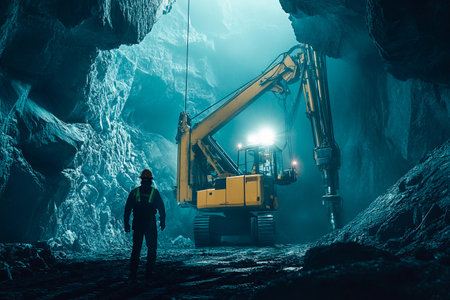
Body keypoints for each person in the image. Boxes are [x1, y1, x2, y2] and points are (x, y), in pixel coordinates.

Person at [124, 169, 166, 280]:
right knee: (152, 248)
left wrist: (126, 224)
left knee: (136, 249)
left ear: (141, 180)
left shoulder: (134, 192)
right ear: (151, 181)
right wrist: (162, 221)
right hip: (150, 224)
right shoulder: (154, 193)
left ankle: (133, 273)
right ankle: (149, 273)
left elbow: (127, 209)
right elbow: (161, 208)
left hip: (138, 223)